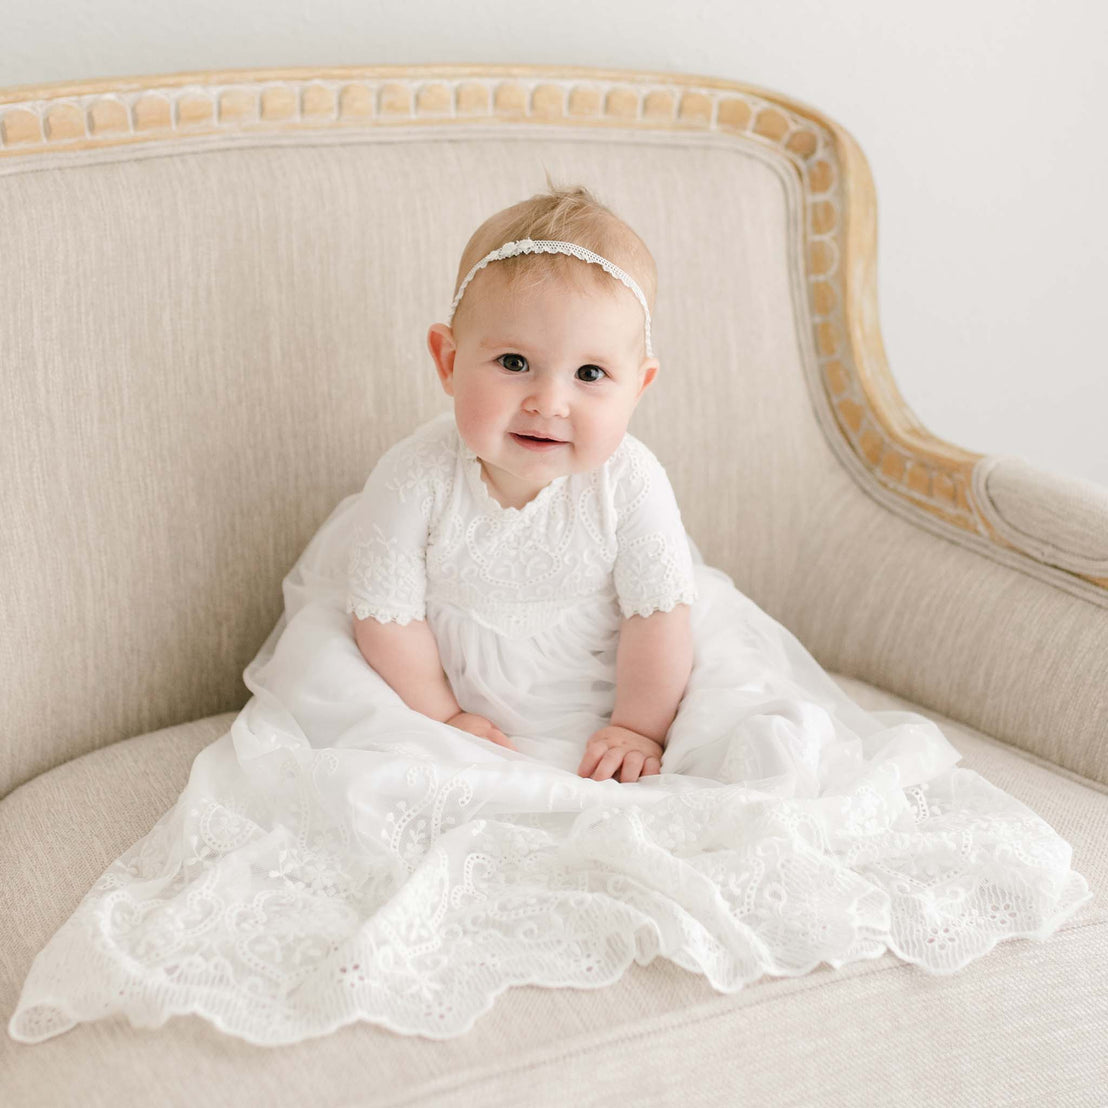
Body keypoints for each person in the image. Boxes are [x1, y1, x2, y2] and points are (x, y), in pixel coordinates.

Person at [8, 183, 1093, 1049]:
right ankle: (464, 759)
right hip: (437, 676)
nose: (548, 400)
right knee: (379, 772)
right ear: (448, 360)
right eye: (512, 362)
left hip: (610, 673)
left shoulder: (630, 487)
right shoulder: (414, 479)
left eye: (589, 373)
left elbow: (659, 618)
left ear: (639, 384)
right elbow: (384, 616)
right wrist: (439, 713)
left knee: (762, 744)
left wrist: (638, 724)